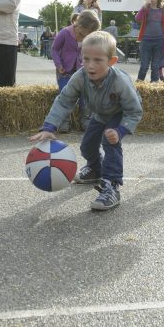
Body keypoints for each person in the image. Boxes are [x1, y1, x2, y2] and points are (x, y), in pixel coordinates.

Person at [30, 31, 143, 211]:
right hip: (99, 114)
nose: (90, 65)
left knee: (109, 141)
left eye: (98, 60)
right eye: (86, 59)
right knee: (87, 146)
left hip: (120, 115)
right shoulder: (80, 76)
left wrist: (121, 131)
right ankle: (95, 169)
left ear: (111, 61)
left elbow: (135, 111)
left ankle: (111, 185)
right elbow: (64, 100)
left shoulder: (120, 81)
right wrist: (49, 127)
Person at [51, 10, 101, 132]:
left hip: (82, 71)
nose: (88, 35)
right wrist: (58, 64)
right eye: (87, 32)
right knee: (65, 94)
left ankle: (85, 120)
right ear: (80, 26)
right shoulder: (65, 33)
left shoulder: (89, 37)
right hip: (64, 71)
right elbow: (54, 49)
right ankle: (64, 121)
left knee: (86, 94)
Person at [134, 0, 164, 83]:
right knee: (144, 65)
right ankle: (139, 86)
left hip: (159, 41)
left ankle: (154, 87)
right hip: (146, 41)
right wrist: (144, 7)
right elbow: (137, 18)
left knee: (155, 66)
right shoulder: (146, 9)